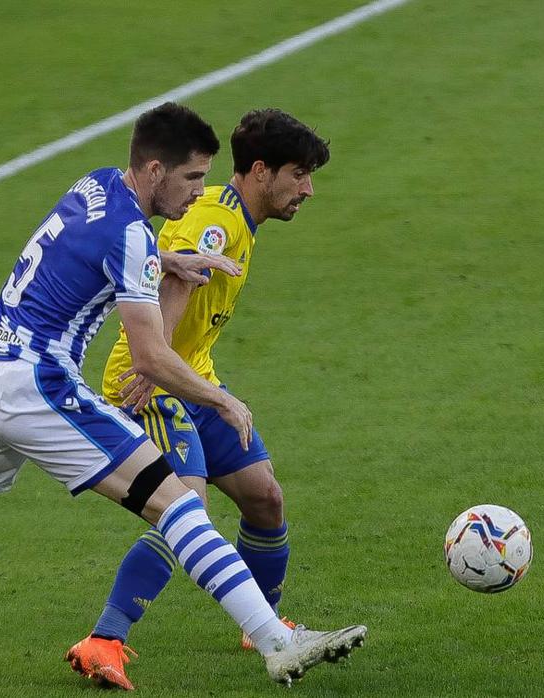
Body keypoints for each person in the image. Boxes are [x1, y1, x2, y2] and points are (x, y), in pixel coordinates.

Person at [0, 102, 366, 689]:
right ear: (157, 170)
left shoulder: (95, 184)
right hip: (36, 385)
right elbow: (149, 356)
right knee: (179, 505)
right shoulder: (133, 233)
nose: (198, 191)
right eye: (192, 178)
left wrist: (166, 258)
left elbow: (96, 250)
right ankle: (277, 643)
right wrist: (221, 400)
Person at [64, 108, 331, 689]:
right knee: (189, 510)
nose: (308, 189)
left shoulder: (236, 218)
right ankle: (103, 641)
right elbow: (177, 275)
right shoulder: (215, 219)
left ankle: (262, 624)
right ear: (260, 171)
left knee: (264, 499)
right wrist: (153, 362)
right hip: (154, 381)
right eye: (300, 175)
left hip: (193, 375)